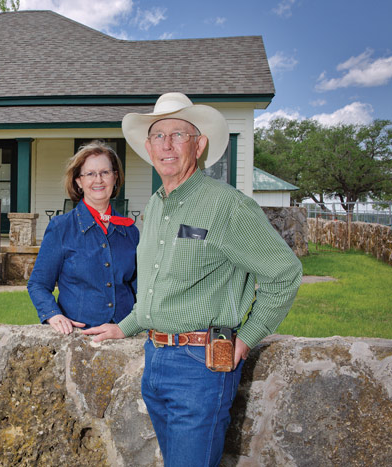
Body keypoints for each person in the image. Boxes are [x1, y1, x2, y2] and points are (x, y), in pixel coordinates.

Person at [82, 93, 302, 466]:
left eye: (178, 134)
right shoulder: (153, 207)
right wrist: (125, 327)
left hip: (200, 367)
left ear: (198, 145)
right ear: (149, 147)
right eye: (157, 135)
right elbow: (157, 286)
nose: (166, 144)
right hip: (155, 360)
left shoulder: (227, 206)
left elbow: (284, 274)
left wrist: (247, 338)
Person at [28, 141, 140, 335]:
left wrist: (129, 326)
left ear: (115, 177)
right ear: (79, 181)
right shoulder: (61, 228)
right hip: (79, 338)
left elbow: (140, 288)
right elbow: (38, 284)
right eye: (90, 174)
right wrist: (53, 314)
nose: (99, 180)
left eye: (105, 172)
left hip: (123, 335)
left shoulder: (129, 230)